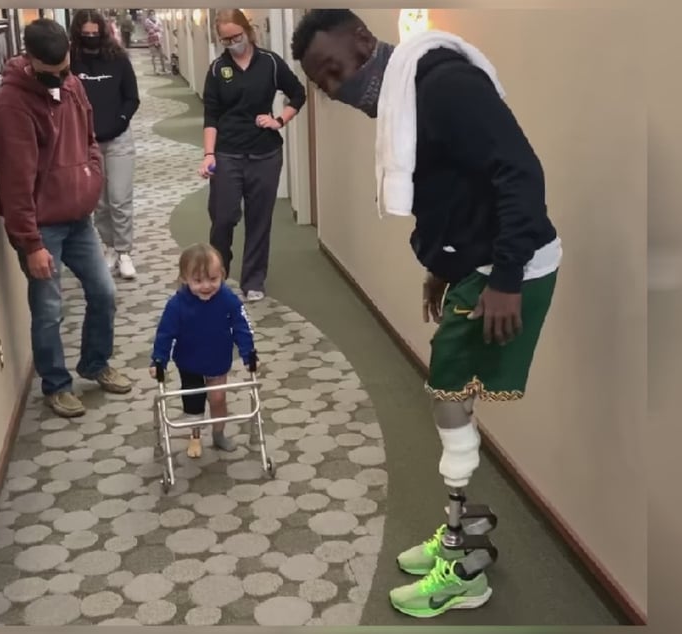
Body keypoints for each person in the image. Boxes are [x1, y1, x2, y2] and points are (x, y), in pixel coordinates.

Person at [291, 9, 562, 618]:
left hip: (506, 269)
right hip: (477, 266)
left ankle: (464, 569)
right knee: (450, 396)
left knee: (449, 396)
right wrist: (441, 266)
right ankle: (458, 532)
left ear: (364, 39)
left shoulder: (443, 85)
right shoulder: (408, 96)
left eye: (335, 70)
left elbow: (520, 173)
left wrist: (508, 277)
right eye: (322, 83)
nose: (335, 89)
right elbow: (451, 189)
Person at [0, 18, 132, 419]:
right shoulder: (10, 104)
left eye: (65, 71)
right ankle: (56, 384)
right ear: (28, 60)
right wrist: (31, 244)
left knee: (104, 293)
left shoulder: (71, 84)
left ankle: (95, 363)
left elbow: (88, 138)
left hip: (79, 218)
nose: (60, 80)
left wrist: (91, 174)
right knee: (49, 310)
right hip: (41, 227)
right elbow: (16, 184)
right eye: (50, 75)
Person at [199, 9, 307, 303]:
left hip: (265, 154)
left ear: (248, 30)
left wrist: (279, 120)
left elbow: (298, 93)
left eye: (237, 36)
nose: (232, 42)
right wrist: (208, 153)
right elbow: (211, 114)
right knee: (222, 218)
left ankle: (254, 280)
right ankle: (216, 275)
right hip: (227, 153)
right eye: (226, 39)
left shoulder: (270, 62)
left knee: (259, 220)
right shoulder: (217, 69)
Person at [150, 243, 256, 458]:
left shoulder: (228, 299)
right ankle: (195, 436)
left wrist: (249, 353)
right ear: (184, 278)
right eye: (197, 281)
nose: (206, 286)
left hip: (217, 358)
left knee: (218, 399)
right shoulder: (177, 305)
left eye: (213, 279)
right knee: (193, 404)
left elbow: (241, 327)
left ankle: (219, 433)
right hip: (189, 362)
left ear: (222, 275)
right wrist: (158, 360)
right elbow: (165, 334)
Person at [70, 9, 141, 280]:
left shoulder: (118, 59)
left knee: (119, 198)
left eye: (95, 34)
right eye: (85, 35)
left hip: (118, 138)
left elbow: (132, 97)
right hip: (86, 142)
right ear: (78, 34)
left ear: (103, 32)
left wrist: (120, 121)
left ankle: (124, 251)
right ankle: (110, 246)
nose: (90, 39)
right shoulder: (71, 62)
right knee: (99, 203)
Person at [143, 10, 166, 74]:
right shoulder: (147, 21)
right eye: (151, 14)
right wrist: (156, 29)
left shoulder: (158, 20)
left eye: (153, 14)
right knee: (154, 55)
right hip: (152, 40)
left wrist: (156, 29)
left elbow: (161, 29)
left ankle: (163, 68)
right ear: (149, 15)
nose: (152, 15)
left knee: (161, 54)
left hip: (159, 40)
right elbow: (150, 31)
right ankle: (155, 69)